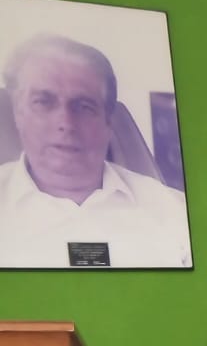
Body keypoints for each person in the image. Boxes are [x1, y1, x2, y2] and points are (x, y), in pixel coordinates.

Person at [0, 34, 190, 268]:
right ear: (18, 114)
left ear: (108, 122)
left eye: (84, 106)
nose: (65, 123)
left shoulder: (174, 211)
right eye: (43, 102)